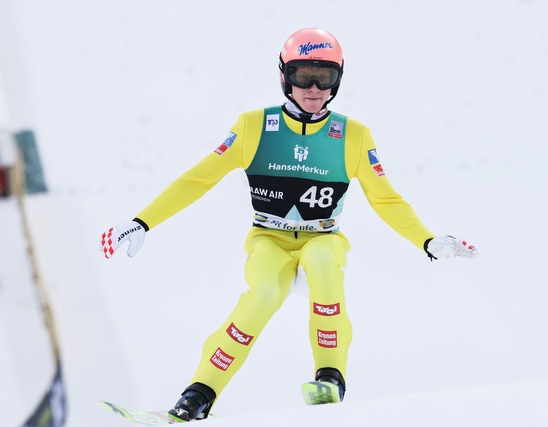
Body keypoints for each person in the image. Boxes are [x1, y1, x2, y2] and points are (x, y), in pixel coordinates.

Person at [100, 28, 478, 421]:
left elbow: (386, 198)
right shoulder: (254, 127)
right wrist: (142, 222)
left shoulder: (353, 135)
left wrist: (428, 241)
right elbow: (198, 179)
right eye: (302, 76)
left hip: (322, 238)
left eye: (325, 77)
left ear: (338, 79)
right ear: (285, 76)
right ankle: (196, 398)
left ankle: (330, 378)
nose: (314, 88)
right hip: (269, 241)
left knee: (324, 265)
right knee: (261, 296)